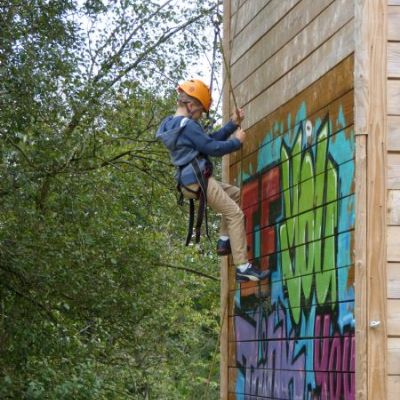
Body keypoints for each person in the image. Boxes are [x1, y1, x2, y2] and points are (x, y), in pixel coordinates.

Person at [156, 79, 268, 282]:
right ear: (191, 106)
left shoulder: (172, 125)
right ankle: (243, 267)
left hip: (190, 181)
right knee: (235, 214)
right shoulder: (188, 126)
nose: (199, 117)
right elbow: (213, 148)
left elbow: (209, 140)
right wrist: (236, 142)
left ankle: (224, 241)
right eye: (200, 112)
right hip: (198, 180)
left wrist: (232, 124)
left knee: (237, 194)